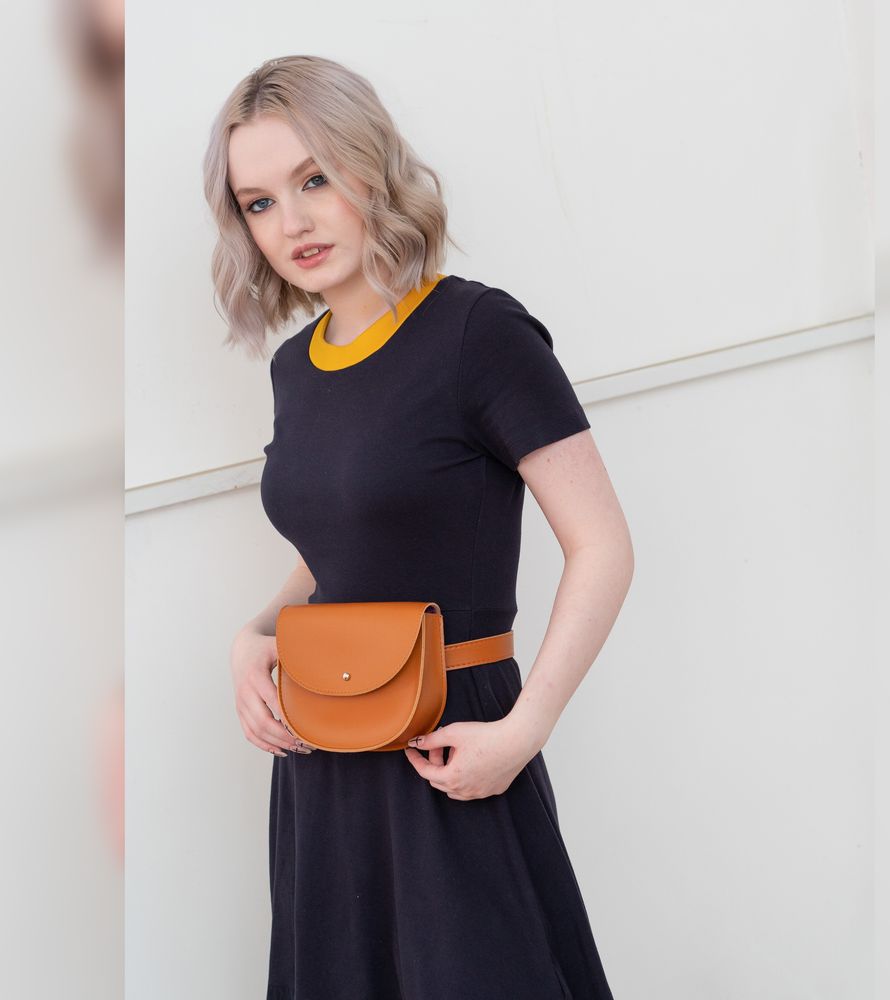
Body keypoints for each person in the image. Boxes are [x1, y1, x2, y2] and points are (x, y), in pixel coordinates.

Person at [206, 55, 633, 1000]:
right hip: (321, 759)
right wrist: (253, 635)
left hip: (451, 748)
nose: (293, 222)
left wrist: (523, 731)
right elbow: (341, 548)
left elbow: (602, 545)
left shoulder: (480, 332)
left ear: (372, 165)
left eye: (315, 178)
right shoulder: (294, 370)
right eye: (260, 202)